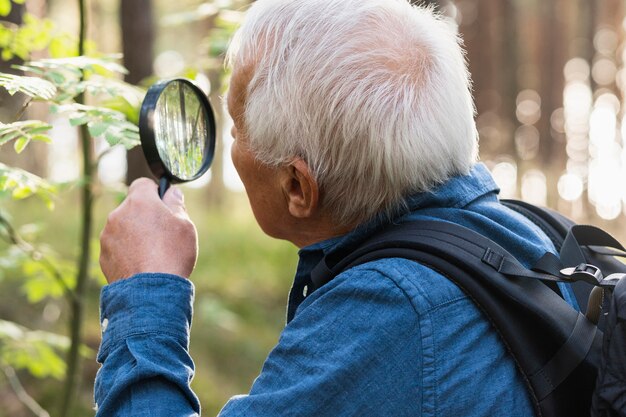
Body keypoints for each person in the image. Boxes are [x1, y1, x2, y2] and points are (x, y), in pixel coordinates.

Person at [96, 0, 580, 415]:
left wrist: (146, 292)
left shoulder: (390, 315)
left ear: (297, 187)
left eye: (238, 129)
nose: (232, 144)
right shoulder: (527, 236)